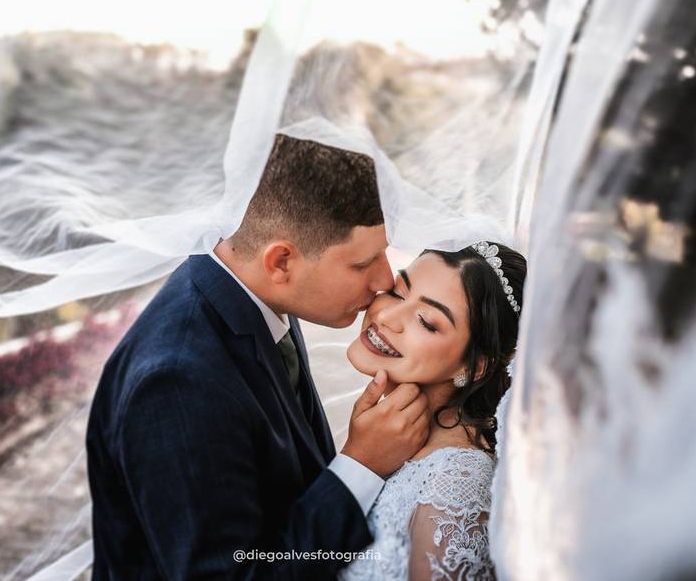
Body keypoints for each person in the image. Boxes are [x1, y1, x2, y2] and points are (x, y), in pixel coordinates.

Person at [85, 134, 432, 579]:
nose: (384, 280)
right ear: (281, 261)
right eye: (363, 264)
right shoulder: (178, 379)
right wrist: (360, 465)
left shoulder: (261, 299)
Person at [340, 241, 525, 581]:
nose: (387, 317)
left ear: (475, 367)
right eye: (397, 293)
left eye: (426, 321)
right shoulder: (383, 439)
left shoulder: (455, 487)